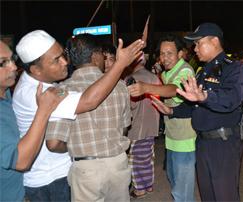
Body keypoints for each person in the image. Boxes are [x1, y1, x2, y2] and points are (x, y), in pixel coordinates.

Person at [12, 30, 143, 202]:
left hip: (81, 169)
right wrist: (120, 65)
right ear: (36, 69)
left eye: (63, 56)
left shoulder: (60, 87)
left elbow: (53, 142)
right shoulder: (38, 94)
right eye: (56, 60)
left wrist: (82, 146)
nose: (64, 62)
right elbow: (90, 101)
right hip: (51, 178)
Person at [151, 23, 243, 201]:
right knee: (207, 194)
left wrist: (204, 97)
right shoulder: (203, 72)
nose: (194, 48)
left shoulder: (234, 69)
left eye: (198, 43)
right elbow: (192, 105)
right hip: (202, 143)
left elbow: (231, 99)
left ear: (214, 41)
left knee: (224, 195)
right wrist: (171, 110)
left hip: (223, 144)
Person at [45, 34, 132, 201]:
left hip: (86, 170)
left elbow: (53, 143)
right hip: (118, 164)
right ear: (95, 55)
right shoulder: (119, 86)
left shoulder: (63, 91)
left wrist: (75, 145)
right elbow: (124, 128)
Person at [128, 34, 197, 202]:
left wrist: (146, 87)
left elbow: (175, 89)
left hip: (185, 139)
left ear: (180, 54)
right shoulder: (168, 71)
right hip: (173, 136)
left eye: (170, 53)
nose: (165, 57)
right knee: (174, 181)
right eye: (162, 53)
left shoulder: (185, 70)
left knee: (183, 189)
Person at [0, 40, 66, 201]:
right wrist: (43, 110)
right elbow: (21, 161)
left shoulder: (6, 93)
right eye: (3, 63)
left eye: (12, 59)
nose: (14, 67)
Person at [124, 55, 160, 199]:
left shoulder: (131, 79)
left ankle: (140, 189)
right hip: (152, 125)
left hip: (136, 127)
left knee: (136, 160)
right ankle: (148, 185)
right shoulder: (155, 78)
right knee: (147, 158)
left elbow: (131, 104)